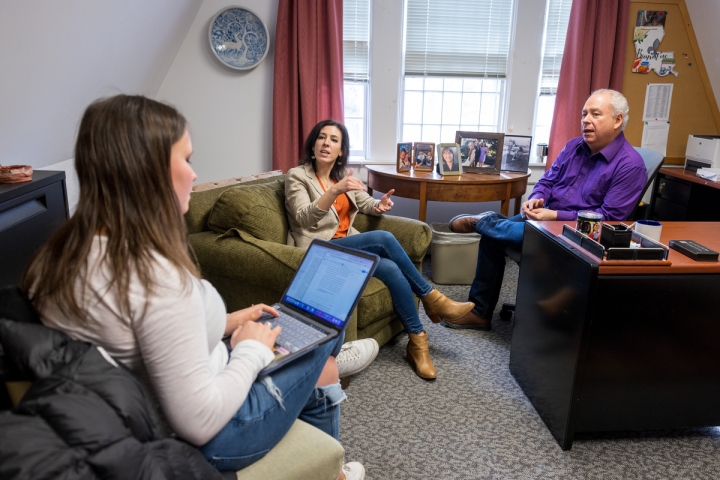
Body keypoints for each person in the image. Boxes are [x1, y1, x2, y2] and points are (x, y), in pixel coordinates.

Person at [22, 95, 365, 480]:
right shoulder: (155, 277)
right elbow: (199, 421)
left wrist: (231, 320)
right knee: (322, 340)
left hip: (172, 389)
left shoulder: (61, 253)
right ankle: (334, 365)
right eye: (186, 160)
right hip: (219, 434)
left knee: (306, 337)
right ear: (146, 171)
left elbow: (145, 336)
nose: (195, 174)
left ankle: (329, 431)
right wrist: (250, 349)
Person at [284, 119, 474, 379]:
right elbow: (303, 217)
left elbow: (365, 202)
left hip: (343, 246)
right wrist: (334, 191)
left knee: (391, 268)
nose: (326, 143)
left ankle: (418, 342)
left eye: (334, 140)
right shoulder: (297, 176)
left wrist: (379, 205)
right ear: (314, 144)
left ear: (341, 151)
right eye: (321, 137)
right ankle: (434, 299)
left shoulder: (341, 177)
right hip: (319, 251)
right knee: (383, 238)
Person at [444, 89, 647, 330]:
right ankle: (479, 313)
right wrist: (537, 198)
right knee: (495, 237)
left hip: (576, 233)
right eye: (584, 114)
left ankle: (483, 222)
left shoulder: (630, 165)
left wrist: (555, 215)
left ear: (617, 120)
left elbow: (611, 218)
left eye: (595, 114)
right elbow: (547, 182)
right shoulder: (574, 146)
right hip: (543, 216)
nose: (585, 120)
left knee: (495, 232)